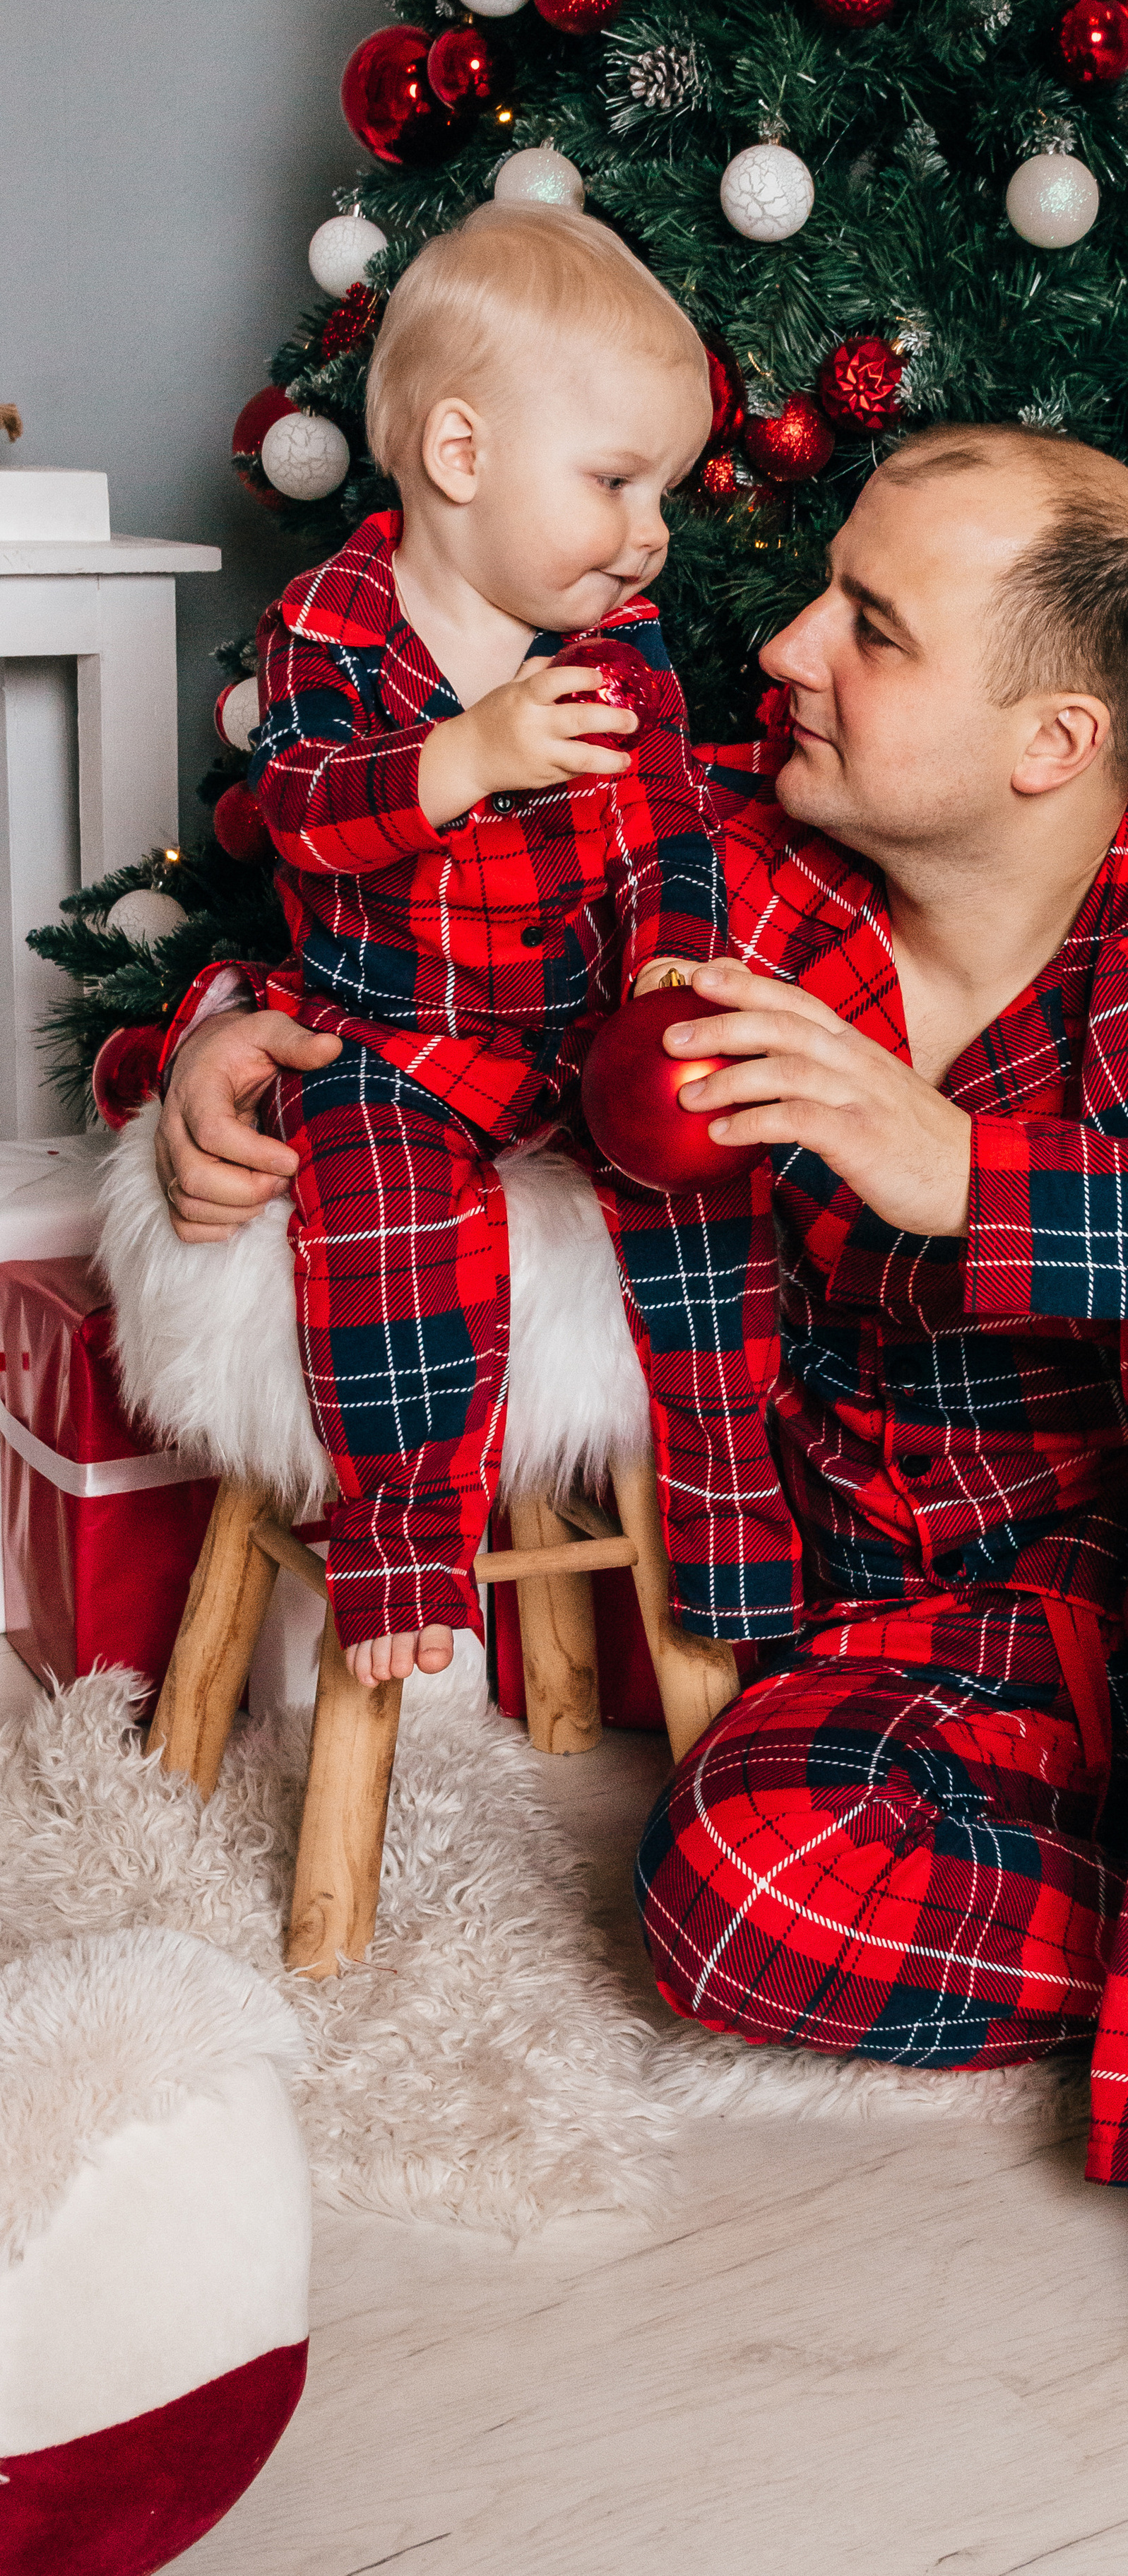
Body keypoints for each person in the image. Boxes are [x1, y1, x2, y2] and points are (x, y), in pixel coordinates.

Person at [158, 423, 1128, 2498]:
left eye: (871, 629)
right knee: (738, 1898)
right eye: (825, 589)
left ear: (1046, 738)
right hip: (939, 1619)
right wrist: (201, 1037)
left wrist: (970, 1175)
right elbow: (412, 928)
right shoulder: (716, 852)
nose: (788, 642)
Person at [236, 201, 713, 1689]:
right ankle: (403, 1549)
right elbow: (303, 812)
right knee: (378, 1207)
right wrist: (466, 752)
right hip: (391, 1034)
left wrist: (670, 969)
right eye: (620, 483)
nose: (652, 535)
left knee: (711, 1193)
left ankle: (741, 1542)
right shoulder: (333, 624)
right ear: (461, 455)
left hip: (568, 1037)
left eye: (667, 493)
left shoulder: (620, 656)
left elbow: (669, 839)